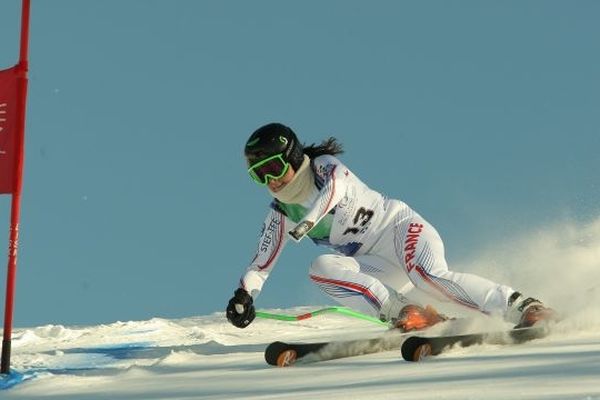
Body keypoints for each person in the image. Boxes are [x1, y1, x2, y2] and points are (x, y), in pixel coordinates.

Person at [226, 122, 556, 331]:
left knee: (428, 279)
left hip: (400, 230)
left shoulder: (325, 169)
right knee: (321, 268)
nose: (270, 181)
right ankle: (406, 312)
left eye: (273, 168)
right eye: (258, 174)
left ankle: (522, 306)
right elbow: (261, 263)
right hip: (374, 263)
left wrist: (309, 221)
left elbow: (334, 193)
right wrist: (244, 296)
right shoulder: (281, 213)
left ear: (295, 157)